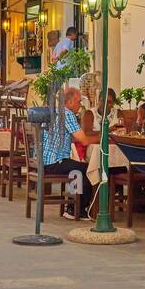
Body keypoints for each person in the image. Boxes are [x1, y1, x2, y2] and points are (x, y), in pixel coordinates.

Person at [45, 87, 99, 220]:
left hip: (45, 162)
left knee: (77, 168)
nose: (80, 105)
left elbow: (75, 137)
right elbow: (84, 141)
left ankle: (72, 208)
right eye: (79, 101)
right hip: (55, 162)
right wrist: (103, 137)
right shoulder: (67, 114)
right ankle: (77, 209)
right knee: (87, 170)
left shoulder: (56, 112)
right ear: (69, 102)